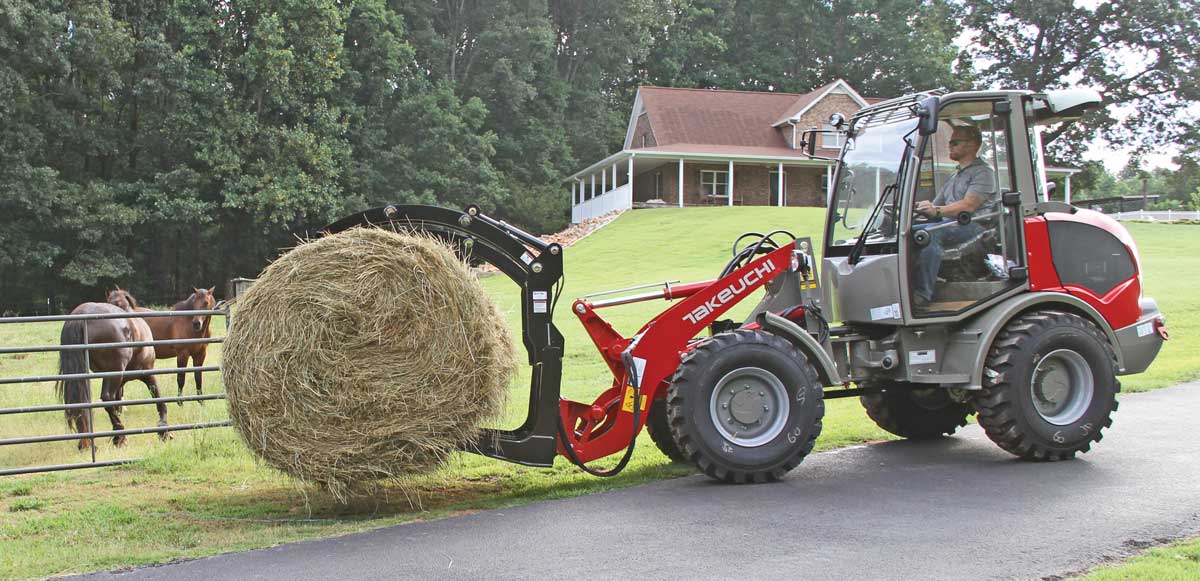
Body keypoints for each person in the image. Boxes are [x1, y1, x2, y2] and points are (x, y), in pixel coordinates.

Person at [911, 125, 996, 310]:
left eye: (955, 142)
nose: (950, 146)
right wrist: (918, 208)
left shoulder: (984, 172)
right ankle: (908, 286)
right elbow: (937, 204)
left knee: (929, 234)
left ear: (973, 144)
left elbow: (968, 206)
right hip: (950, 223)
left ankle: (922, 295)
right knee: (908, 232)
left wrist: (937, 211)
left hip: (974, 226)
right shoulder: (955, 175)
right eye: (950, 142)